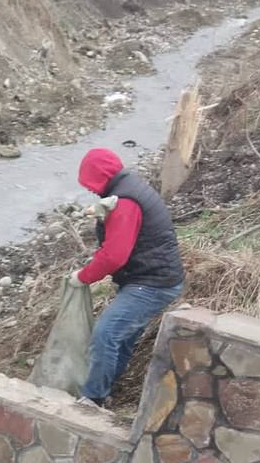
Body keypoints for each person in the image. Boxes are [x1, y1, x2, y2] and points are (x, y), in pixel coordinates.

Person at [70, 148, 184, 406]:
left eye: (90, 183)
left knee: (106, 334)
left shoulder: (125, 202)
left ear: (99, 177)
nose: (89, 189)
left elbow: (114, 256)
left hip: (152, 282)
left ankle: (94, 398)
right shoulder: (125, 189)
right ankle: (104, 389)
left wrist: (83, 277)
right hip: (156, 276)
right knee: (121, 337)